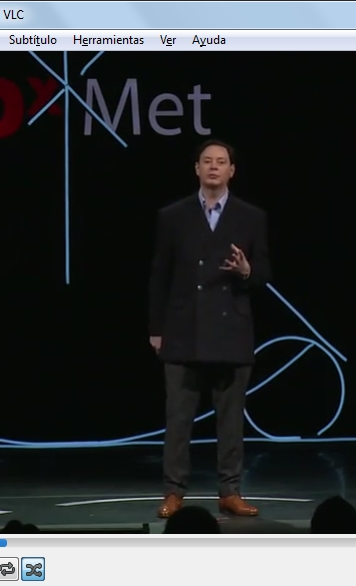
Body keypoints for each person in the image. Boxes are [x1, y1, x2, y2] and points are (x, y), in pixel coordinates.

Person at [148, 139, 272, 519]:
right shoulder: (173, 215)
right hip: (183, 329)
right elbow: (160, 275)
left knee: (231, 419)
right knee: (178, 419)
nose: (214, 167)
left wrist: (247, 271)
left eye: (221, 162)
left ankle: (229, 491)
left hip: (231, 330)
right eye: (207, 161)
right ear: (197, 169)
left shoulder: (251, 217)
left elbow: (264, 274)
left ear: (232, 170)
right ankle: (174, 491)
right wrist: (156, 328)